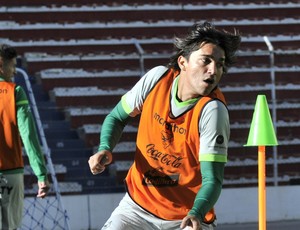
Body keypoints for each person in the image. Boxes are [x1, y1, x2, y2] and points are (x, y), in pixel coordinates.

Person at [88, 21, 241, 230]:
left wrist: (196, 213)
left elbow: (212, 180)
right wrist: (105, 147)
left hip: (186, 217)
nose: (213, 70)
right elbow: (116, 117)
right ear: (183, 62)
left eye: (220, 64)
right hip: (136, 208)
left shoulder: (212, 111)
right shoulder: (157, 79)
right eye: (206, 60)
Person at [0, 44, 50, 230]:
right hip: (9, 173)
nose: (14, 71)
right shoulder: (14, 92)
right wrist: (41, 174)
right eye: (12, 65)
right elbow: (28, 135)